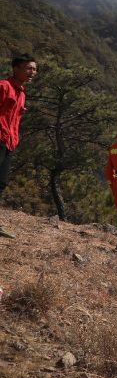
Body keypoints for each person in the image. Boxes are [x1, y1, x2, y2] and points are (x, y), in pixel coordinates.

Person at [0, 54, 37, 239]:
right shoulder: (3, 87)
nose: (33, 72)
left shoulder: (21, 93)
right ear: (16, 68)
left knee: (1, 182)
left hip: (9, 142)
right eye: (29, 68)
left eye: (34, 69)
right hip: (0, 137)